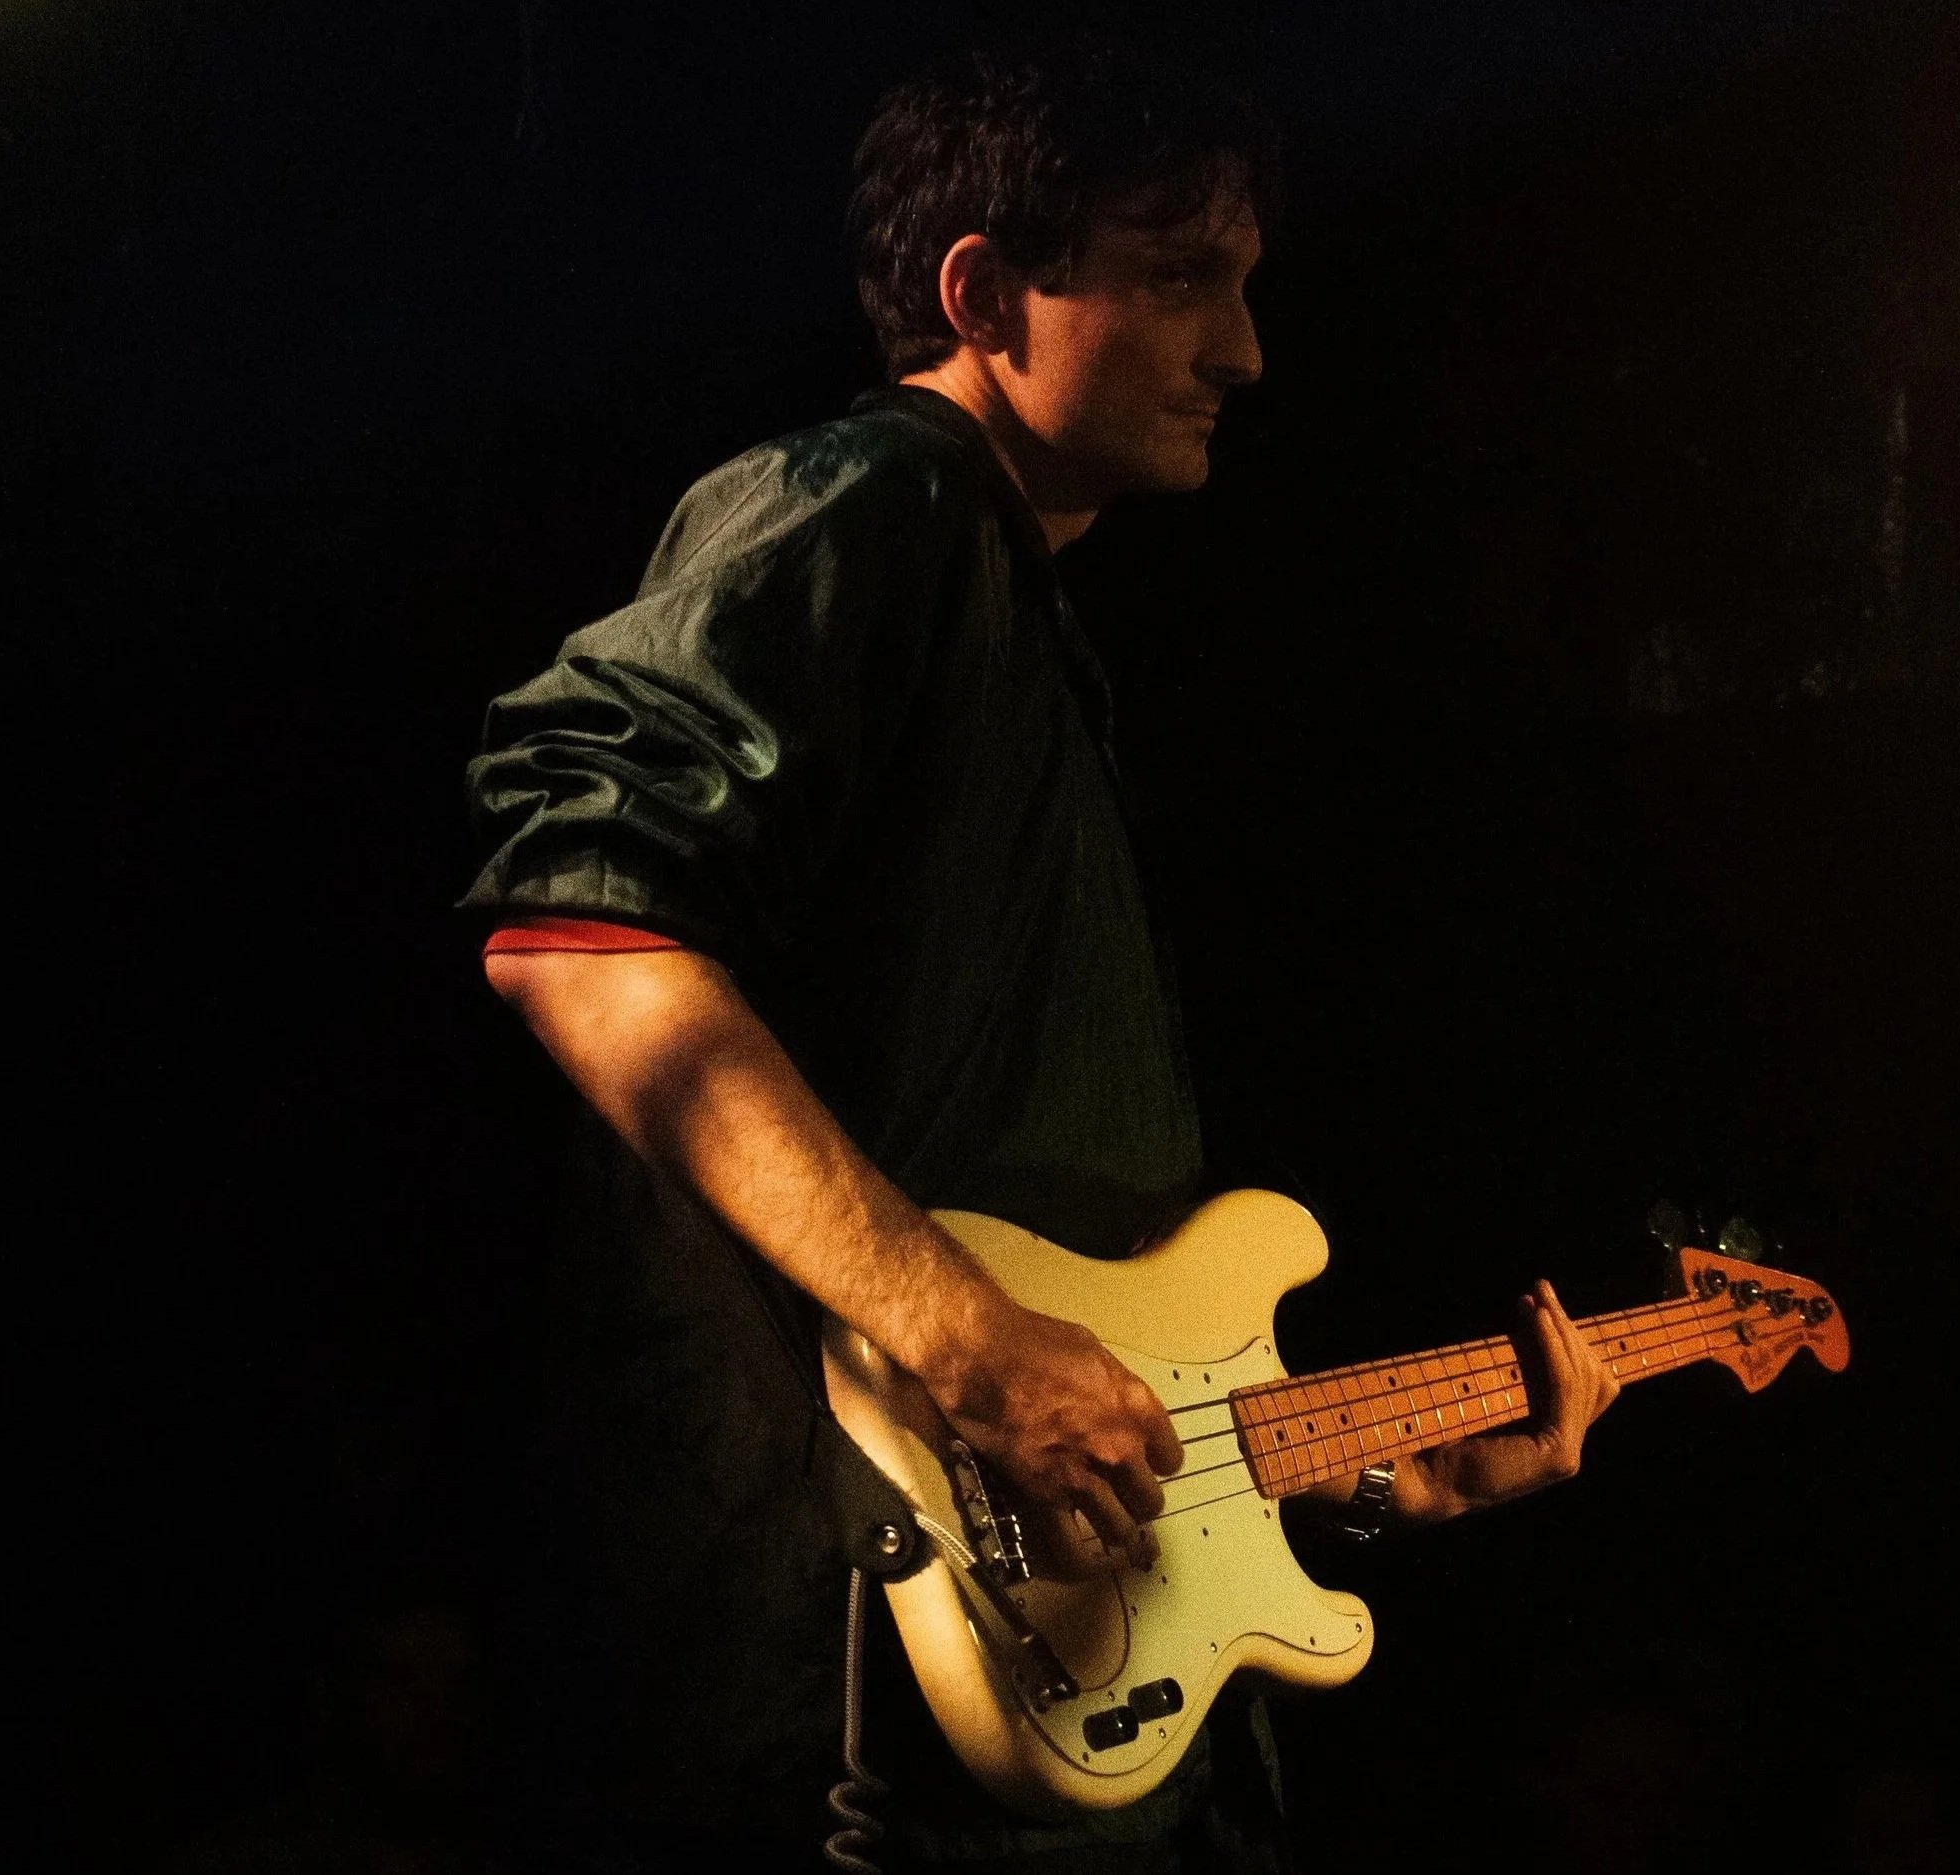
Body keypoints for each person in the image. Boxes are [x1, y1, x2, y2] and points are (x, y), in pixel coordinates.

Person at [460, 39, 1620, 1873]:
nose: (1244, 351)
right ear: (985, 292)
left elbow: (1058, 1255)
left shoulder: (1017, 612)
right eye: (1181, 277)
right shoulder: (869, 502)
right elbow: (577, 932)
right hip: (854, 1717)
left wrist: (1347, 1481)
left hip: (1055, 1729)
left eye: (1242, 285)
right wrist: (967, 1343)